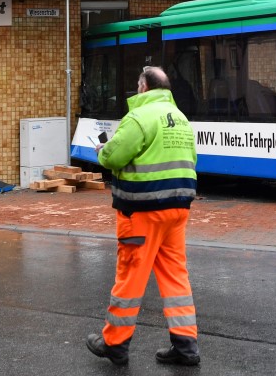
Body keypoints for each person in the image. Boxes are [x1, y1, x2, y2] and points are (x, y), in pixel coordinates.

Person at [86, 66, 201, 368]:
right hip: (178, 210)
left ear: (144, 87)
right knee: (175, 276)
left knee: (131, 275)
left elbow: (114, 157)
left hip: (143, 211)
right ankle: (186, 347)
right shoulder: (181, 120)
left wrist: (102, 150)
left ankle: (115, 344)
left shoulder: (138, 117)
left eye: (137, 86)